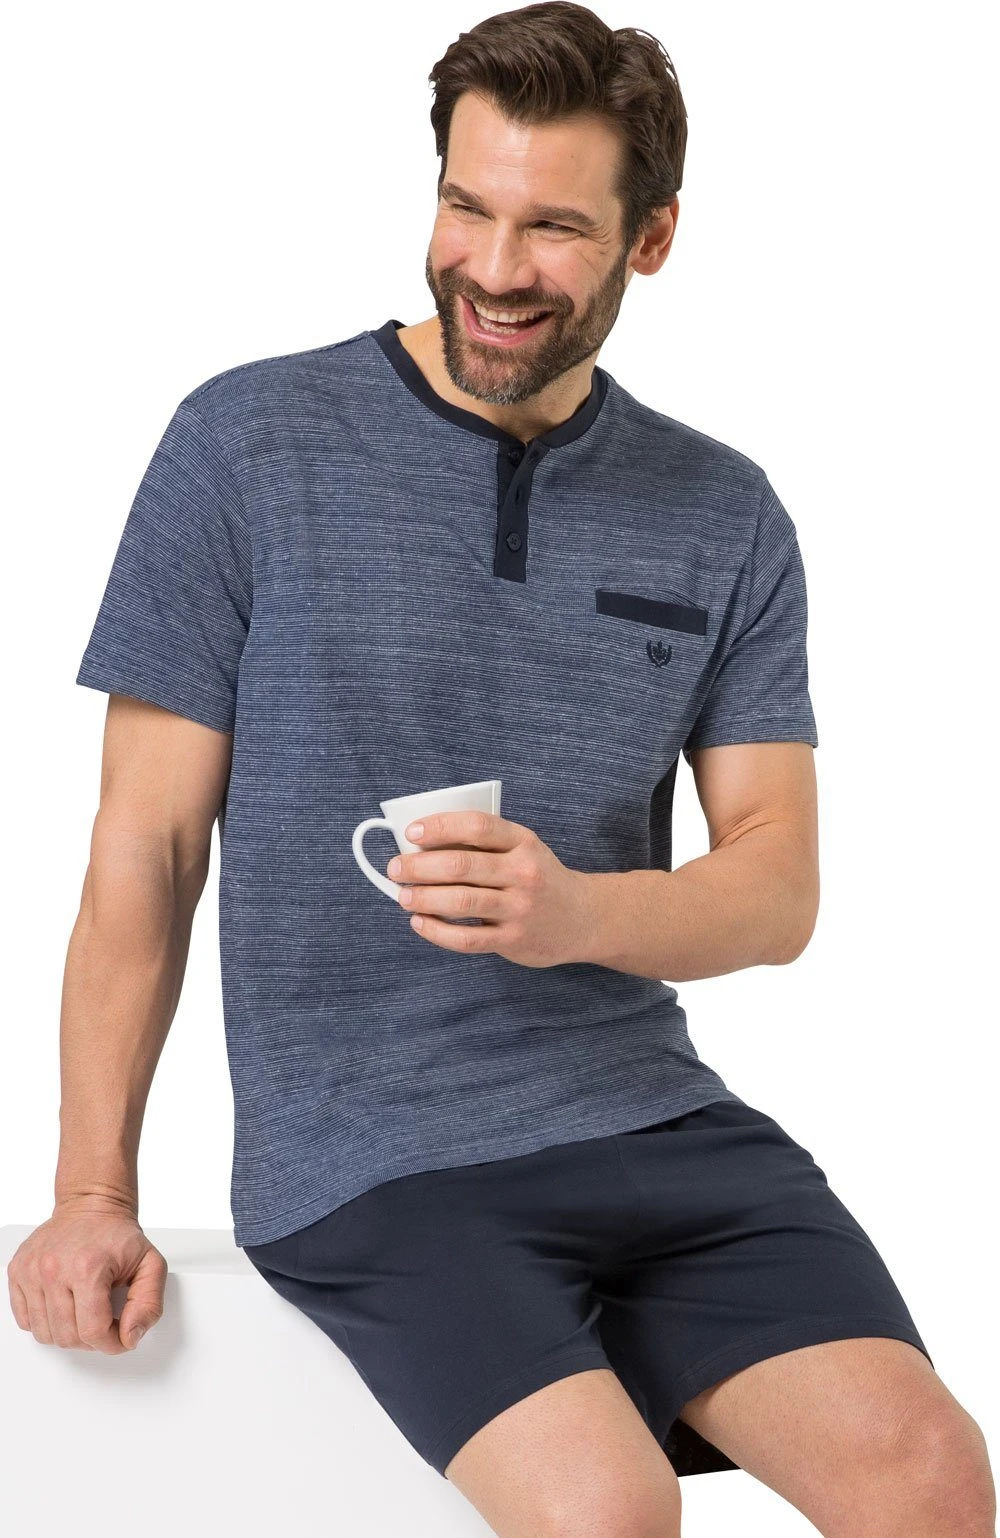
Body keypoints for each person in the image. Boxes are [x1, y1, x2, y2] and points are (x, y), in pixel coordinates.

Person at [8, 3, 995, 1534]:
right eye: (467, 206)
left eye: (553, 228)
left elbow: (778, 885)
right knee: (609, 1510)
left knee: (932, 1477)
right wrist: (92, 1191)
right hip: (370, 1147)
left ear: (651, 238)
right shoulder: (244, 445)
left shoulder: (725, 511)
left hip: (651, 1116)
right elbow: (148, 848)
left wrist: (578, 913)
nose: (492, 264)